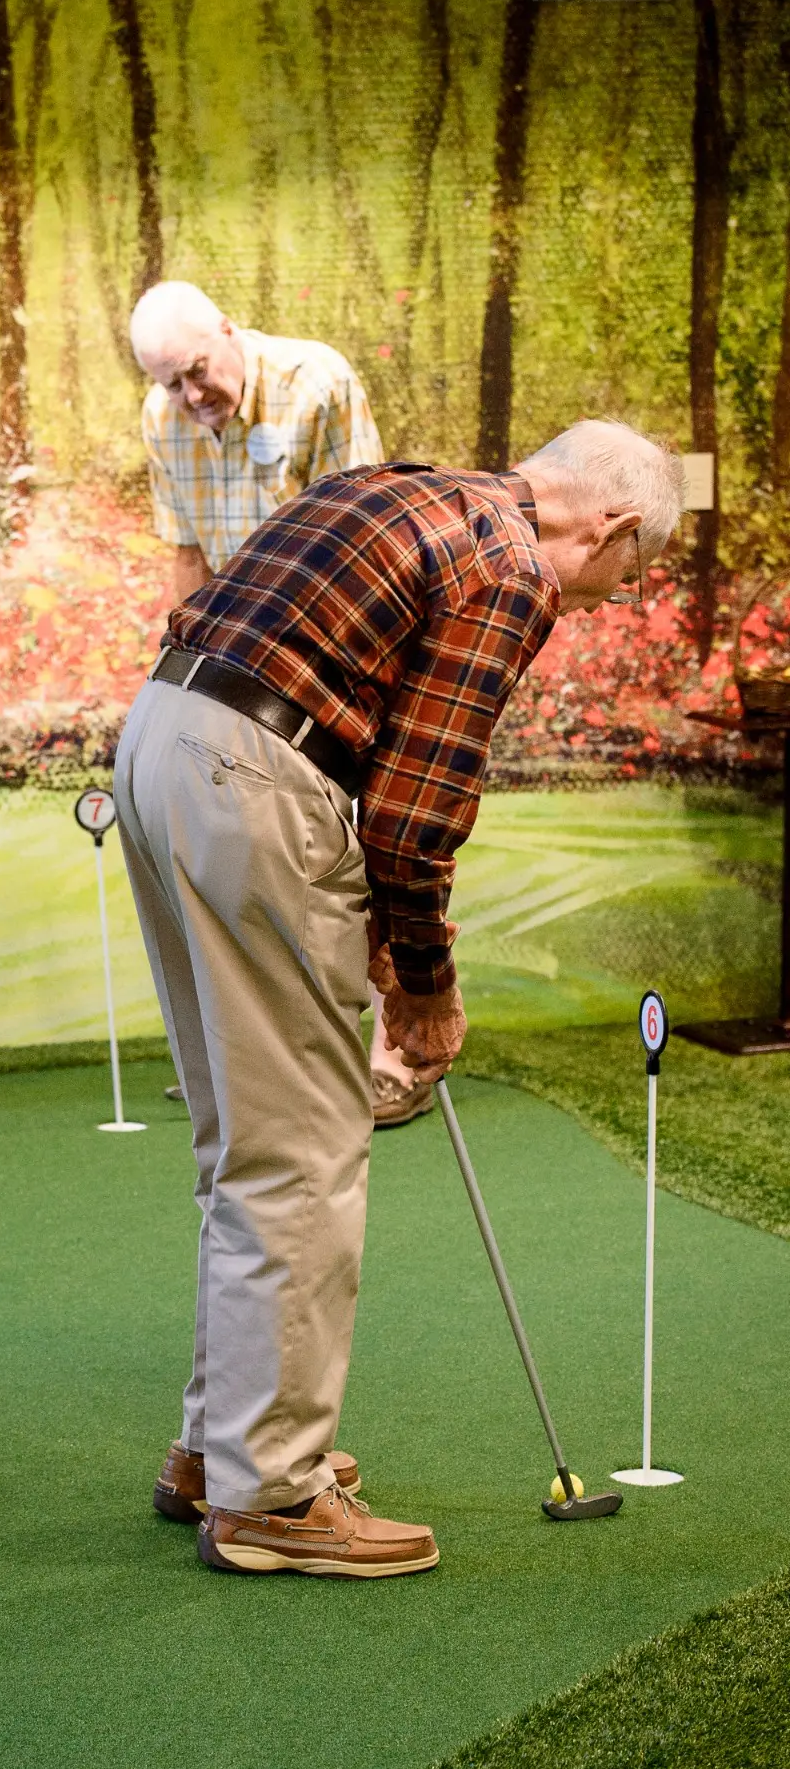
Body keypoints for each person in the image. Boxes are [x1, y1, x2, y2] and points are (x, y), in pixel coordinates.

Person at [116, 420, 682, 1579]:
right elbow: (417, 816)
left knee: (247, 1134)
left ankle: (217, 1451)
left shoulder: (397, 485)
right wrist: (423, 991)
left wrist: (379, 932)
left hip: (159, 741)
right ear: (612, 528)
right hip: (253, 777)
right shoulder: (513, 567)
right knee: (307, 1150)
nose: (606, 602)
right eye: (626, 581)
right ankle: (270, 1495)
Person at [130, 280, 430, 1128]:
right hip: (235, 673)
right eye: (168, 384)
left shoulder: (317, 382)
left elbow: (372, 536)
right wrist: (172, 673)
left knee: (381, 845)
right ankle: (254, 1057)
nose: (191, 398)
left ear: (229, 330)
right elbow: (188, 554)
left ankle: (398, 1049)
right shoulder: (164, 421)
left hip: (345, 653)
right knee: (239, 861)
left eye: (196, 372)